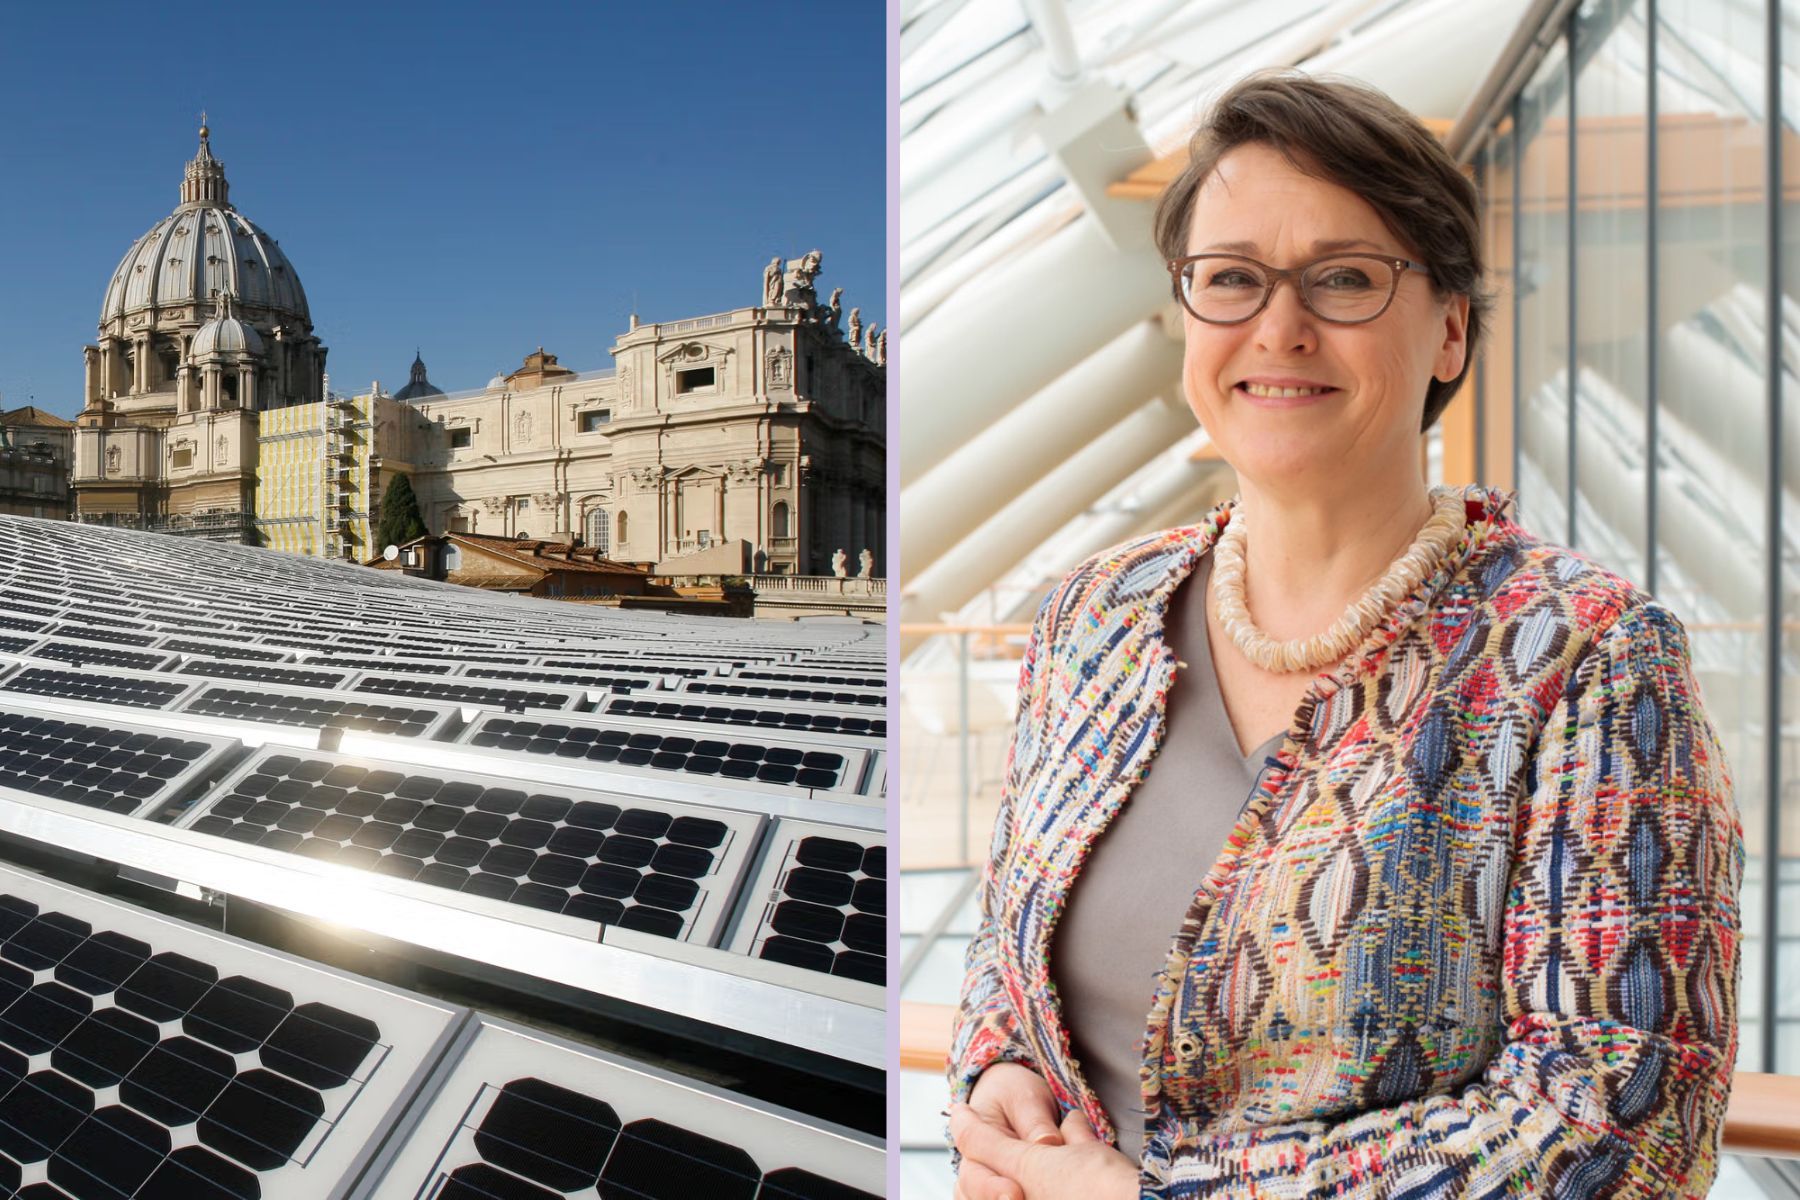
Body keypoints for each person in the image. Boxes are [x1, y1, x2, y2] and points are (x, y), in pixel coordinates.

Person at [947, 71, 1744, 1199]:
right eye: (1229, 279)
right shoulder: (1095, 616)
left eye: (1345, 280)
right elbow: (1004, 942)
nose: (1279, 325)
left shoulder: (1586, 658)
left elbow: (1622, 1125)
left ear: (1451, 333)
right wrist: (995, 1070)